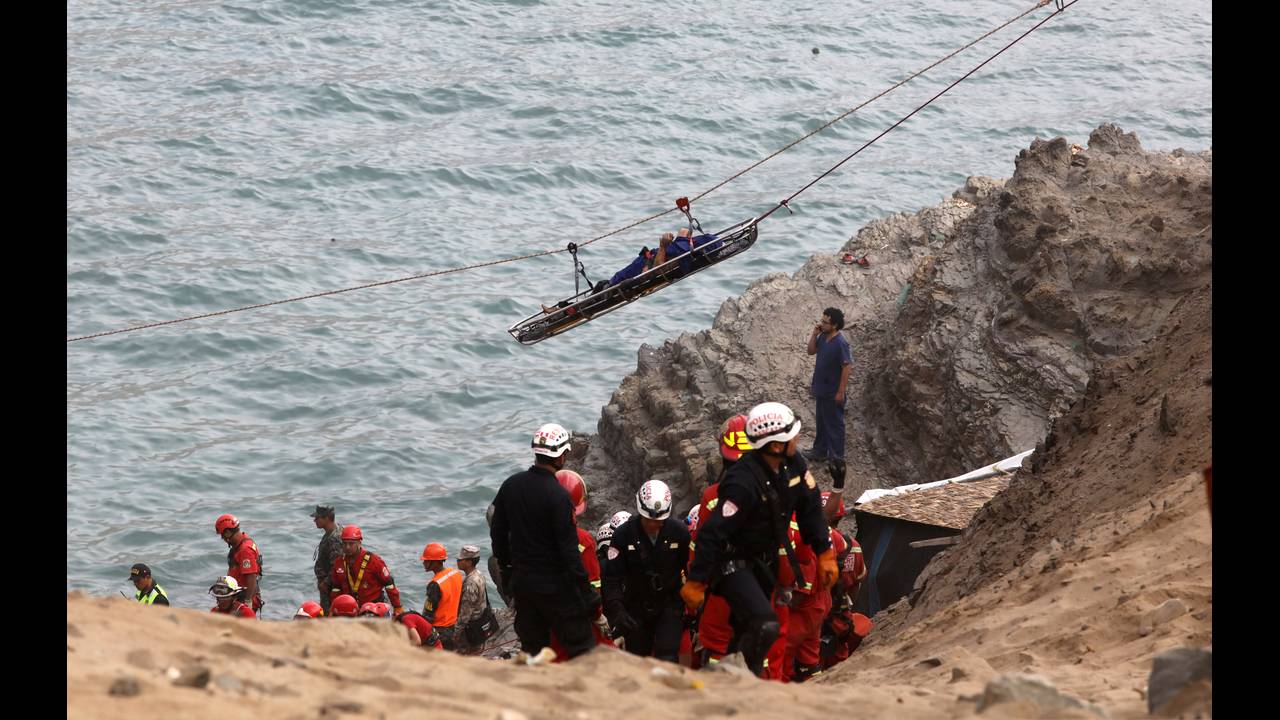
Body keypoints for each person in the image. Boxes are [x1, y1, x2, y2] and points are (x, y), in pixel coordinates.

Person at [680, 402, 838, 677]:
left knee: (747, 628)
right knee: (765, 624)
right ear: (775, 446)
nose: (797, 440)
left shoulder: (793, 465)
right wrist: (697, 581)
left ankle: (738, 674)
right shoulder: (741, 483)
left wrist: (824, 551)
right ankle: (744, 677)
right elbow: (712, 534)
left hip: (766, 563)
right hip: (733, 564)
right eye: (792, 436)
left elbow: (810, 506)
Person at [489, 422, 599, 660]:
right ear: (560, 457)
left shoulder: (511, 485)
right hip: (556, 589)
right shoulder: (559, 497)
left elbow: (497, 534)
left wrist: (508, 572)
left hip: (524, 586)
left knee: (532, 651)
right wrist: (588, 595)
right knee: (582, 649)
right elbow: (569, 553)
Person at [603, 480, 691, 663]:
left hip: (669, 605)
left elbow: (689, 569)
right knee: (637, 658)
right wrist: (617, 611)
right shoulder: (623, 536)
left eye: (659, 521)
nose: (653, 524)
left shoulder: (679, 533)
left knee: (667, 654)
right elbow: (613, 578)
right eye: (649, 519)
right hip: (635, 607)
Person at [690, 414, 751, 667]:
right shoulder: (774, 491)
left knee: (716, 650)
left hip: (722, 588)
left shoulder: (712, 496)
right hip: (761, 587)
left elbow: (699, 549)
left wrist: (696, 588)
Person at [805, 307, 852, 489]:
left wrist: (840, 391)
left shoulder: (841, 343)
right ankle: (819, 450)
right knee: (822, 421)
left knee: (835, 425)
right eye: (822, 321)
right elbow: (810, 351)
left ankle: (836, 459)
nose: (821, 323)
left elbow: (847, 367)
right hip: (821, 389)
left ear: (834, 325)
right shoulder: (823, 337)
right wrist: (814, 335)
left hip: (833, 392)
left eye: (825, 322)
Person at [330, 525, 405, 618]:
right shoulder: (339, 563)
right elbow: (336, 588)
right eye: (344, 544)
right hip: (352, 610)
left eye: (351, 543)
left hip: (374, 609)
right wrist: (333, 608)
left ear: (359, 543)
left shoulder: (373, 561)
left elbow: (389, 583)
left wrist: (397, 606)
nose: (347, 547)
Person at [216, 514, 264, 614]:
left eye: (222, 535)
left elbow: (251, 576)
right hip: (237, 596)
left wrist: (248, 602)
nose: (223, 538)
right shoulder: (242, 541)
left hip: (244, 597)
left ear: (228, 532)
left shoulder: (245, 550)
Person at [453, 545, 495, 652]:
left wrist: (457, 632)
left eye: (461, 559)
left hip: (472, 626)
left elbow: (466, 612)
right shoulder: (479, 574)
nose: (458, 561)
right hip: (481, 618)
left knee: (466, 652)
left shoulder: (470, 583)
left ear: (469, 562)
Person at [421, 542, 462, 649]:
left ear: (435, 562)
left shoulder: (435, 584)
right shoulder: (455, 573)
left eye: (426, 560)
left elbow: (429, 614)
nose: (424, 563)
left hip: (440, 630)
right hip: (454, 625)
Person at [311, 504, 343, 615]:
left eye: (317, 518)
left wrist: (325, 583)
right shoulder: (331, 532)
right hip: (328, 585)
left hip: (330, 587)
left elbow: (337, 565)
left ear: (327, 518)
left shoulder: (335, 538)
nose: (315, 520)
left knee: (329, 614)